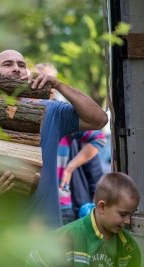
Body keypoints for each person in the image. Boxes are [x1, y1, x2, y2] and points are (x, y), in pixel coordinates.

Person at [0, 50, 108, 267]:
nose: (16, 67)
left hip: (44, 234)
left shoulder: (50, 110)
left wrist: (59, 85)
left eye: (21, 64)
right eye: (7, 64)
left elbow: (99, 119)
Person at [34, 62, 107, 224]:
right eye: (37, 78)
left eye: (48, 81)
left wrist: (70, 168)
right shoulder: (28, 112)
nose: (42, 84)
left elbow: (99, 136)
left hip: (60, 202)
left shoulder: (58, 115)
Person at [26, 172, 141, 267]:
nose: (127, 221)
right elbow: (36, 259)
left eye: (130, 215)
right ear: (102, 207)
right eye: (123, 214)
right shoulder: (69, 236)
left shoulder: (128, 246)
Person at [58, 130, 106, 224]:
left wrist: (69, 168)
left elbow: (95, 174)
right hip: (69, 204)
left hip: (75, 205)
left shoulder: (72, 132)